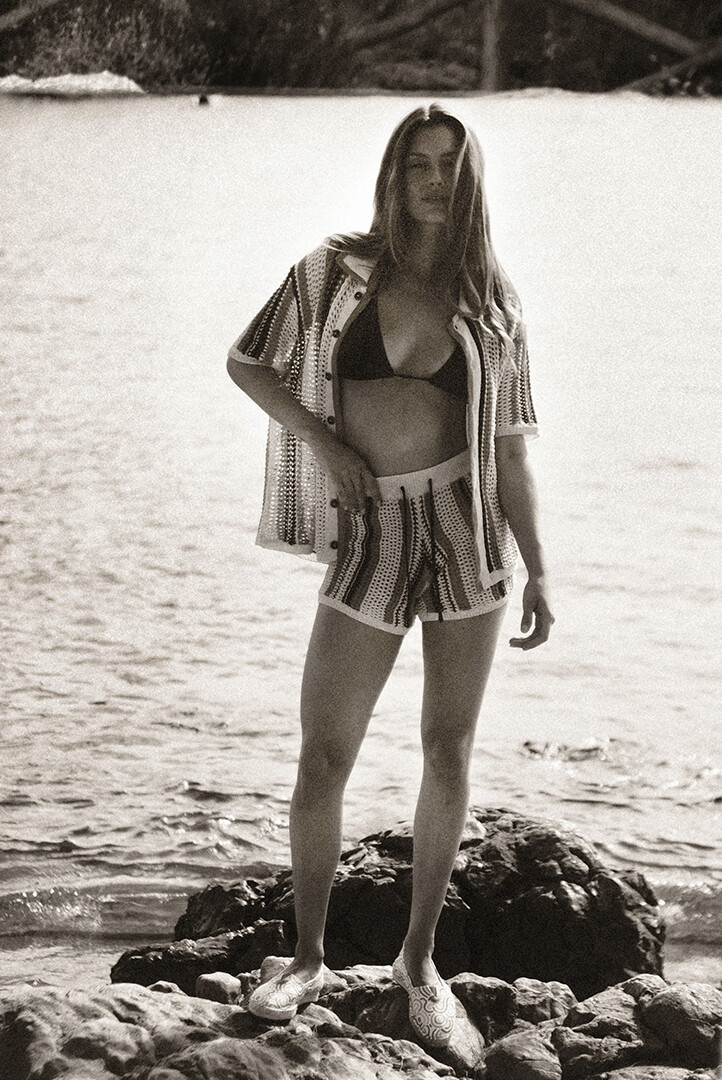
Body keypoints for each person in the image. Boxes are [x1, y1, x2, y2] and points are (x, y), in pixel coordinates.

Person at [226, 104, 554, 1047]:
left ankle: (419, 963)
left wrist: (541, 570)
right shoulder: (335, 271)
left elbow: (512, 450)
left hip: (465, 535)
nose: (434, 180)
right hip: (370, 533)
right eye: (418, 163)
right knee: (323, 754)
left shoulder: (493, 302)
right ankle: (307, 956)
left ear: (470, 179)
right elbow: (249, 363)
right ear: (393, 173)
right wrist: (327, 446)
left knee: (447, 748)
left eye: (451, 164)